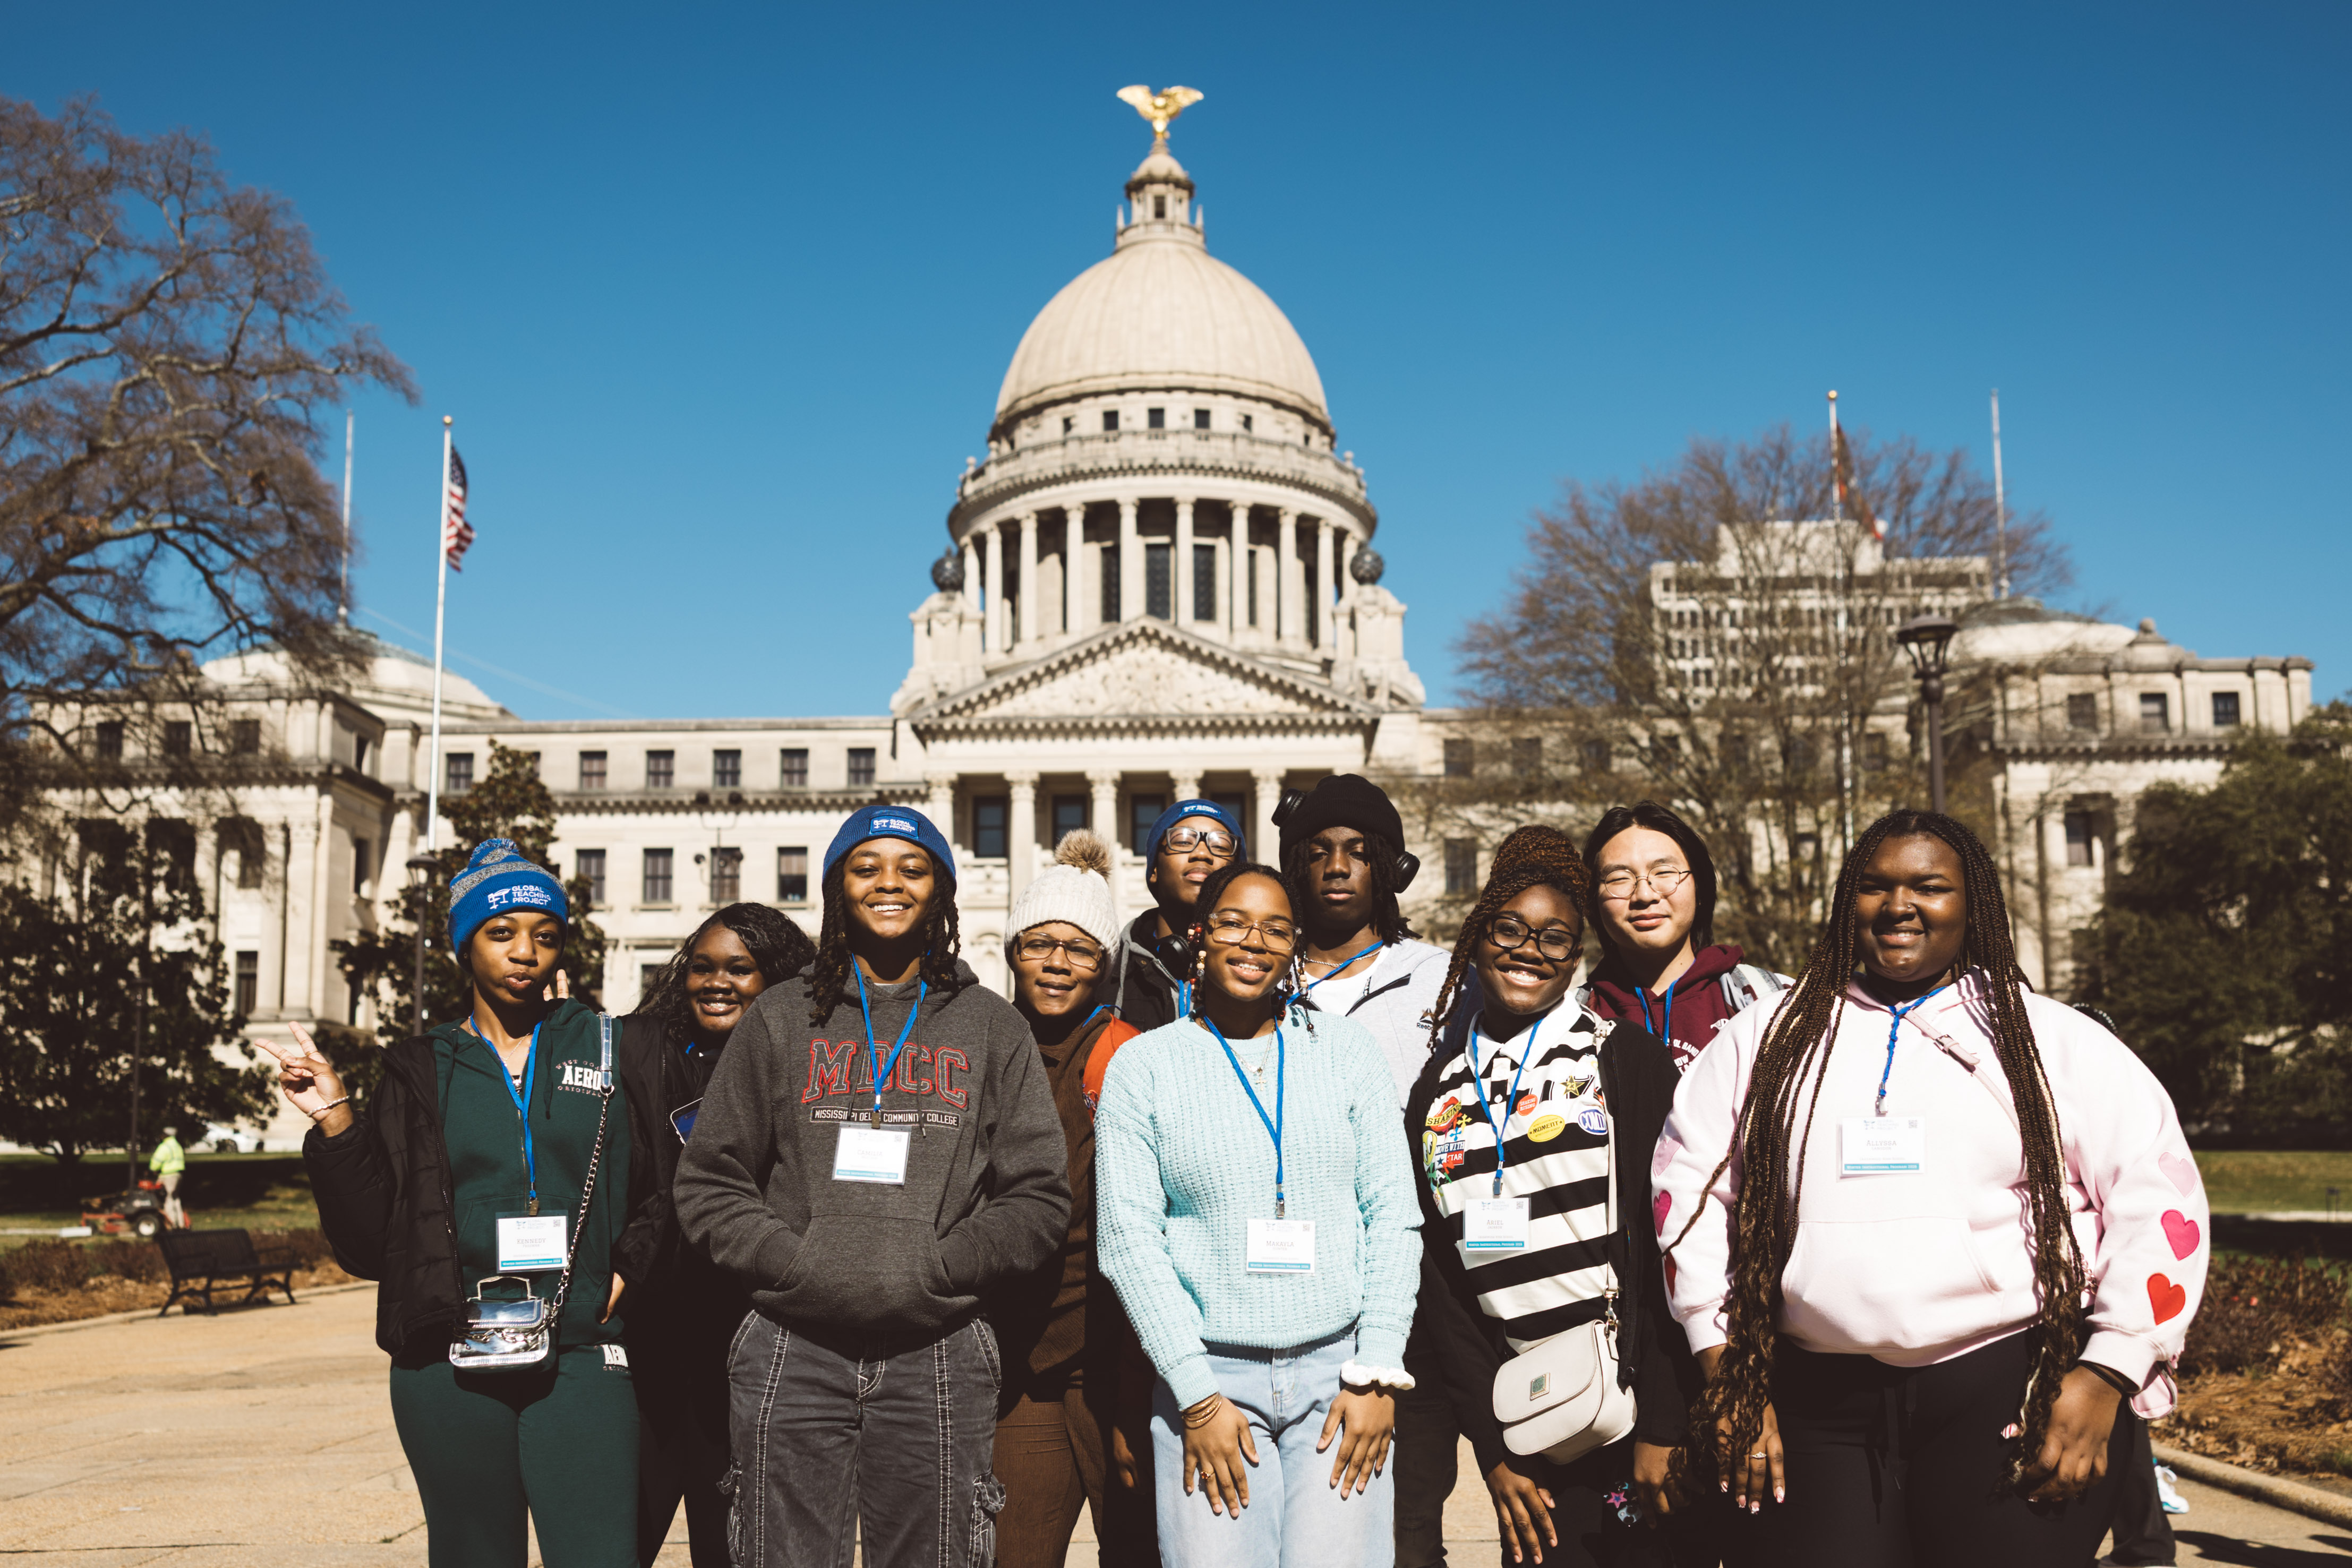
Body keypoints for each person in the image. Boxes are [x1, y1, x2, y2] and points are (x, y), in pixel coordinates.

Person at [1655, 809, 2211, 1567]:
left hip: (2007, 1389)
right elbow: (1686, 1194)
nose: (1899, 905)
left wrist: (2108, 1370)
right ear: (1846, 900)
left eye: (1929, 886)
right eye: (1875, 886)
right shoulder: (1763, 1038)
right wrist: (1723, 1365)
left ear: (1970, 902)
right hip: (1816, 1403)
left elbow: (2159, 1200)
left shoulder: (2050, 1038)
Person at [672, 803, 1070, 1568]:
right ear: (836, 888)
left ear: (942, 893)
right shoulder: (782, 1018)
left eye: (913, 868)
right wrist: (796, 1264)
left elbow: (1038, 1195)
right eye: (866, 867)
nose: (890, 883)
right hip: (793, 1344)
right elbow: (712, 1179)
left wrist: (942, 1267)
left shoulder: (991, 1026)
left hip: (940, 1349)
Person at [262, 838, 654, 1568]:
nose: (525, 952)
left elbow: (671, 1184)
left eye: (545, 935)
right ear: (463, 946)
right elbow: (370, 1241)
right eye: (501, 933)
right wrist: (338, 1122)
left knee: (600, 1554)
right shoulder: (420, 1066)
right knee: (472, 1554)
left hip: (583, 1346)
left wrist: (633, 1262)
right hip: (450, 1353)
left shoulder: (611, 1046)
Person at [1095, 860, 1422, 1567]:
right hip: (1210, 1378)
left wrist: (1378, 1369)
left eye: (1276, 928)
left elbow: (1393, 1213)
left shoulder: (1346, 1052)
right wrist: (1197, 1397)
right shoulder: (1144, 1067)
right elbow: (1128, 1241)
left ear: (1295, 946)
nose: (1254, 942)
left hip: (1340, 1378)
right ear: (1199, 935)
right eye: (1234, 922)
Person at [1407, 826, 1688, 1568]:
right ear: (1479, 932)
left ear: (1576, 955)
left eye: (1555, 938)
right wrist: (1495, 1447)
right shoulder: (1436, 1089)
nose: (1529, 950)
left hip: (1630, 1405)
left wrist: (1665, 1419)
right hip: (1527, 1412)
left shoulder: (1619, 1056)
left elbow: (1672, 1241)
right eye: (1510, 928)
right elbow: (1442, 1283)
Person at [1274, 774, 1455, 1566]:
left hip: (1410, 1290)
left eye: (1357, 851)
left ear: (1388, 867)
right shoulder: (1252, 978)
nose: (1338, 866)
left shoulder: (1446, 980)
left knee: (1406, 1524)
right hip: (1281, 1289)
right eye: (1318, 853)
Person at [619, 902, 815, 1568]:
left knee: (729, 1543)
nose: (716, 982)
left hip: (749, 1341)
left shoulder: (802, 1061)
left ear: (777, 978)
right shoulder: (647, 1053)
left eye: (740, 968)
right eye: (702, 967)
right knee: (623, 1532)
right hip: (652, 1338)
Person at [988, 829, 1160, 1568]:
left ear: (1104, 963)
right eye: (1039, 943)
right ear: (1012, 951)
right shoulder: (981, 1048)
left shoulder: (1134, 1053)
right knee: (1015, 1550)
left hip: (1116, 1353)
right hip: (1018, 1353)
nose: (1057, 962)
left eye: (1080, 948)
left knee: (1140, 1547)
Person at [1580, 803, 1785, 1075]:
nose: (1644, 895)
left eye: (1664, 873)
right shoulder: (1567, 1022)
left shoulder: (1773, 999)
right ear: (1593, 901)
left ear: (1699, 888)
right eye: (1619, 878)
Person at [1107, 797, 1251, 1031]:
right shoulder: (1107, 974)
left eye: (1221, 846)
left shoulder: (1259, 969)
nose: (1202, 854)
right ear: (1154, 869)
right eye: (1183, 841)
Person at [149, 1125, 186, 1228]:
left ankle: (172, 1224)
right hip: (178, 1175)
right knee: (176, 1198)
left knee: (168, 1199)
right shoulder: (177, 1146)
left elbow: (156, 1162)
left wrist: (153, 1170)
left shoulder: (165, 1146)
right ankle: (181, 1223)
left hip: (168, 1175)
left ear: (165, 1135)